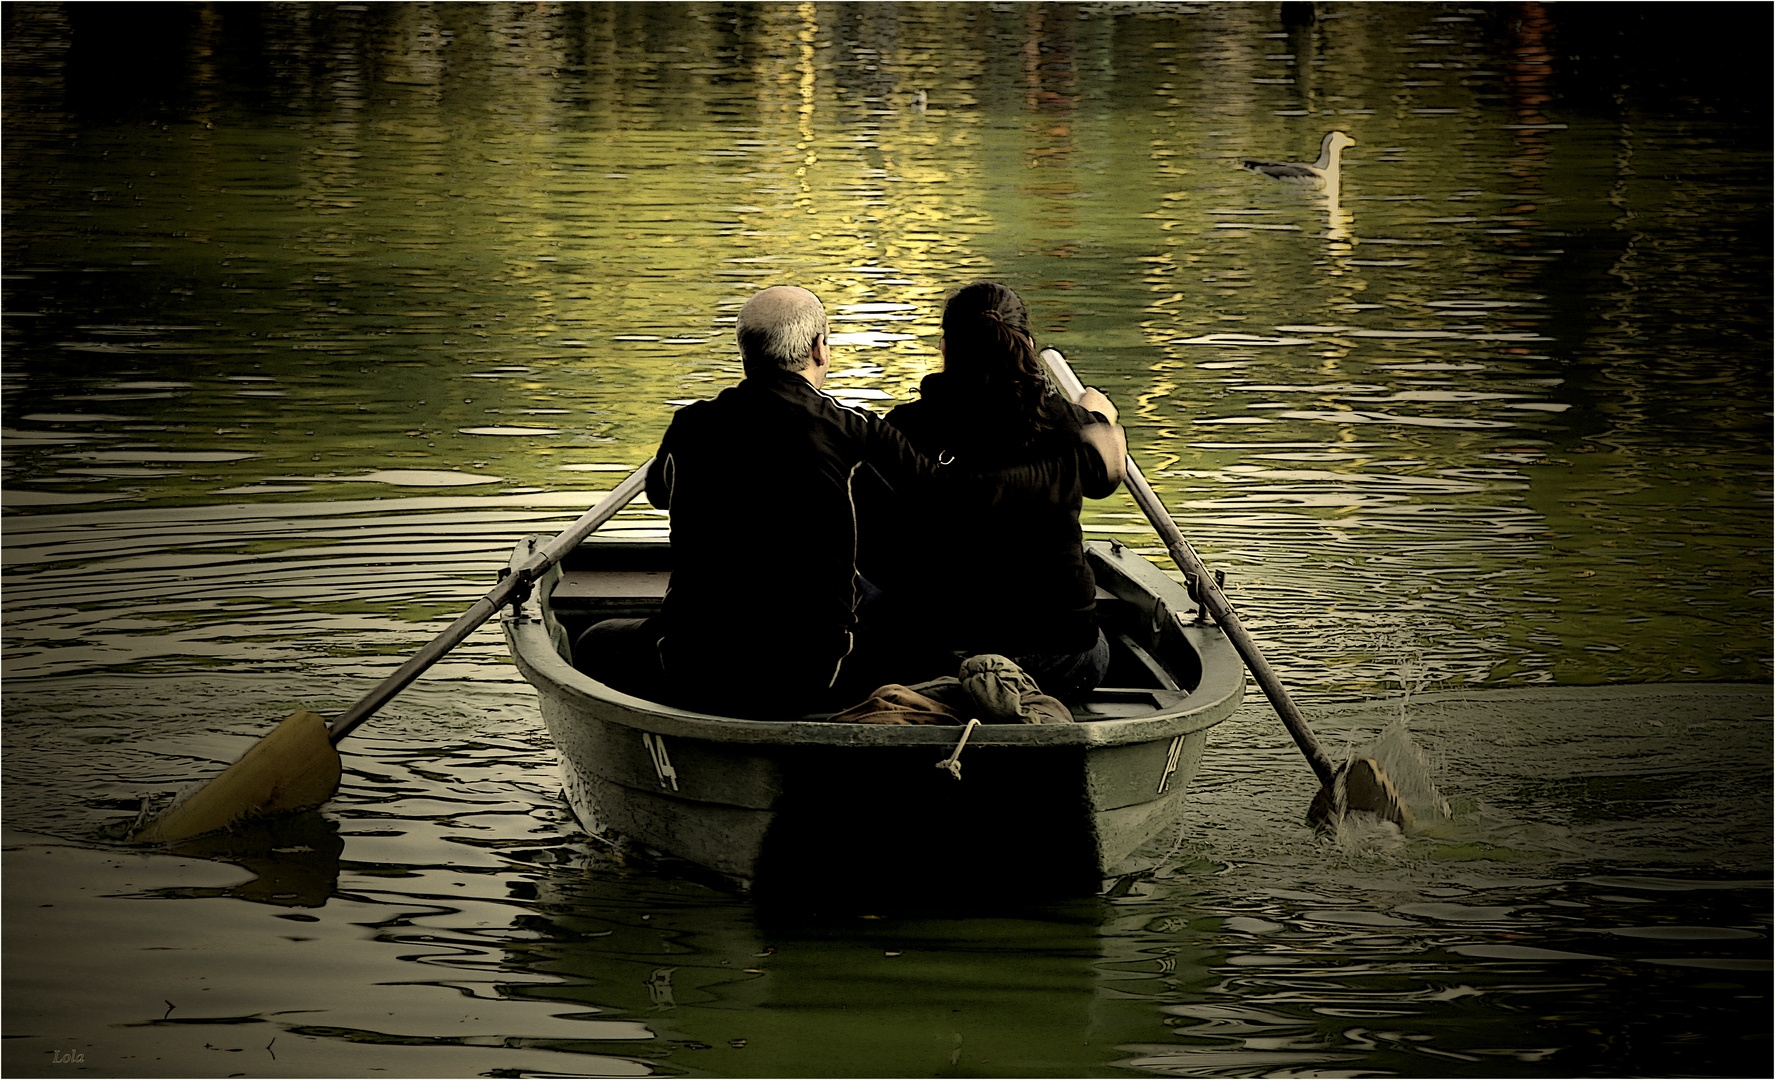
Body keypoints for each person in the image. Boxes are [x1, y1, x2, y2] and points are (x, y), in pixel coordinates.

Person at [576, 285, 956, 716]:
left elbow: (660, 494)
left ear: (746, 354)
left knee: (593, 641)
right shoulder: (856, 429)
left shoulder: (690, 425)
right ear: (820, 349)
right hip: (814, 672)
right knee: (904, 621)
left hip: (694, 667)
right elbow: (940, 499)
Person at [859, 281, 1128, 699]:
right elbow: (1101, 478)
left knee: (859, 586)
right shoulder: (1072, 426)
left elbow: (869, 544)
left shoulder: (905, 428)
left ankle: (952, 679)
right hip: (1064, 657)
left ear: (946, 348)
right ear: (1029, 345)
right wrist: (1096, 417)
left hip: (936, 648)